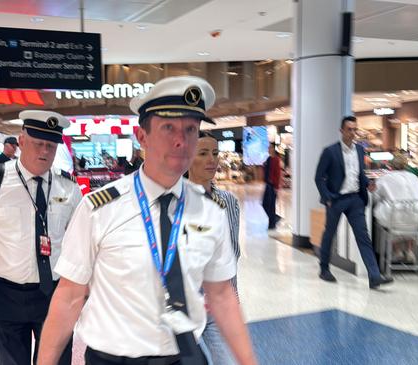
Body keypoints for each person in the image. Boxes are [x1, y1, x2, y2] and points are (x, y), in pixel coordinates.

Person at [37, 76, 256, 365]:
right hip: (114, 359)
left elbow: (222, 294)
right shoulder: (100, 208)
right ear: (142, 137)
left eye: (191, 129)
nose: (181, 140)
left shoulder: (210, 210)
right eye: (168, 128)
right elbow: (69, 296)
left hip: (184, 357)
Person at [0, 110, 81, 365]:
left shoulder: (68, 187)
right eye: (38, 143)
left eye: (51, 145)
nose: (44, 151)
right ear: (22, 141)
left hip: (54, 294)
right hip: (4, 293)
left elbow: (78, 243)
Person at [315, 115, 394, 289]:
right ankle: (324, 268)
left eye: (354, 129)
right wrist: (327, 197)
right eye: (349, 129)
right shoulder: (330, 152)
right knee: (330, 233)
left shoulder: (359, 150)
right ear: (341, 131)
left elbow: (360, 175)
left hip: (355, 200)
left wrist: (368, 184)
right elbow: (318, 178)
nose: (352, 133)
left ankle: (374, 276)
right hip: (336, 200)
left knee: (363, 237)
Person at [187, 131, 242, 365]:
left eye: (215, 153)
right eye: (203, 153)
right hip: (182, 308)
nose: (212, 160)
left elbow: (232, 255)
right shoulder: (173, 201)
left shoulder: (229, 202)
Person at [373, 154, 418, 263]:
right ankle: (409, 250)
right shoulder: (414, 178)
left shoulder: (386, 178)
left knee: (390, 222)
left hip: (393, 217)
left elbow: (376, 195)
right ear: (406, 166)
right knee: (412, 224)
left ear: (391, 166)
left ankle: (397, 251)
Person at [262, 143, 282, 230]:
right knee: (265, 204)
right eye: (268, 147)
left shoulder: (276, 159)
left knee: (271, 205)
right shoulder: (268, 159)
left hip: (272, 185)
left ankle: (272, 224)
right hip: (267, 184)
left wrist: (276, 187)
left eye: (270, 147)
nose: (268, 149)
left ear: (273, 148)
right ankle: (275, 218)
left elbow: (278, 174)